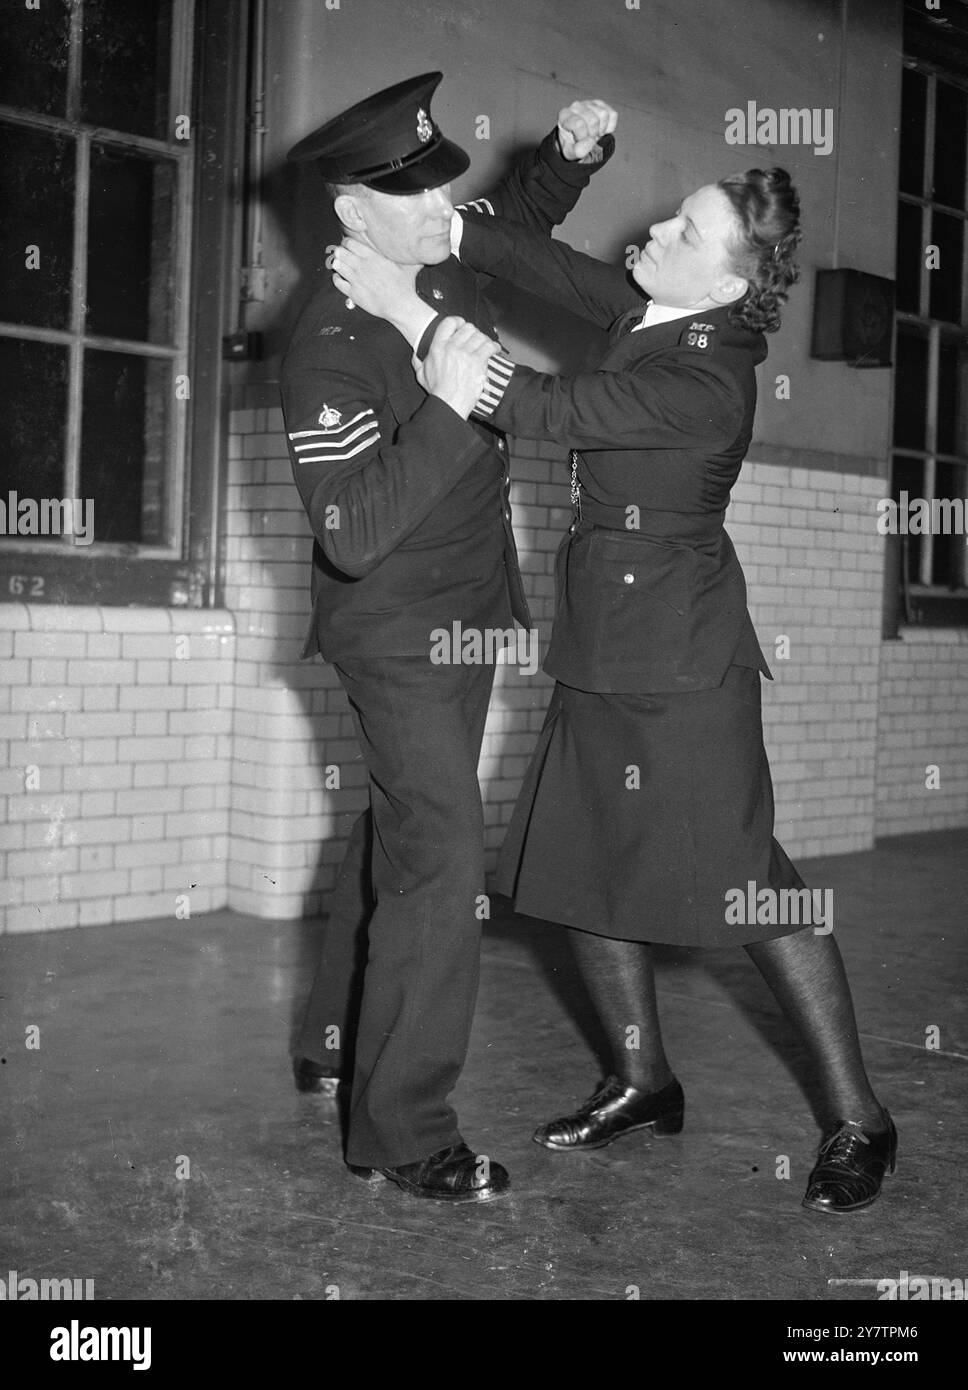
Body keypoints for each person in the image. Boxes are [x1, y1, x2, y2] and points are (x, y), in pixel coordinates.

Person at [330, 165, 897, 1215]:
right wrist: (447, 226)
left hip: (683, 666)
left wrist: (402, 303)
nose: (656, 225)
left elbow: (537, 404)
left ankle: (859, 1117)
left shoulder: (706, 376)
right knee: (582, 865)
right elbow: (548, 266)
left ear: (727, 281)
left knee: (753, 888)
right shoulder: (655, 307)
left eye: (682, 227)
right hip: (599, 643)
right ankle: (642, 1079)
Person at [280, 72, 617, 1202]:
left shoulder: (428, 258)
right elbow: (353, 535)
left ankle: (332, 1037)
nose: (442, 209)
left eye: (441, 186)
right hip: (394, 631)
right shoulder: (325, 345)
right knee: (443, 857)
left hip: (470, 612)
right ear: (348, 210)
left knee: (398, 826)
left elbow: (510, 233)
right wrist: (439, 395)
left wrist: (563, 162)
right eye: (414, 195)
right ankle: (402, 1128)